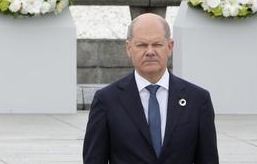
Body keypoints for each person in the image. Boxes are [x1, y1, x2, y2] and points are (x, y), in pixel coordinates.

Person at [83, 12, 218, 164]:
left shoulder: (198, 100)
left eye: (157, 44)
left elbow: (208, 159)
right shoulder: (107, 100)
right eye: (141, 45)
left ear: (170, 46)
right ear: (128, 48)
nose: (150, 52)